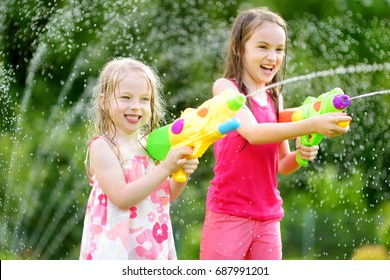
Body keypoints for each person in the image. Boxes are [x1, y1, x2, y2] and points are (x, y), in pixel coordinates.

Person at [200, 7, 352, 260]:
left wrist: (302, 156)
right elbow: (254, 133)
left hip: (269, 217)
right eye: (263, 47)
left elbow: (282, 162)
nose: (272, 56)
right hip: (229, 213)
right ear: (239, 48)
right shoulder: (226, 88)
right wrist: (313, 124)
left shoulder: (274, 96)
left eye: (279, 49)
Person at [79, 57, 199, 260]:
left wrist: (181, 172)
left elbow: (165, 195)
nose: (136, 106)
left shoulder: (149, 145)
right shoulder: (103, 146)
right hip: (117, 249)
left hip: (151, 243)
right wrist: (166, 167)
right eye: (125, 97)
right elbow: (122, 198)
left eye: (144, 99)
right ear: (103, 101)